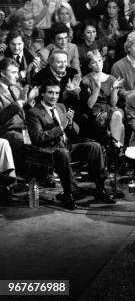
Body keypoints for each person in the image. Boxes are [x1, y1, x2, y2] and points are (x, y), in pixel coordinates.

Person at [26, 78, 115, 210]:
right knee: (63, 153)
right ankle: (68, 194)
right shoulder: (34, 113)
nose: (54, 96)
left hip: (66, 147)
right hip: (49, 151)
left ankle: (100, 188)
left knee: (94, 146)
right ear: (42, 94)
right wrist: (61, 127)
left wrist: (71, 123)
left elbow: (75, 132)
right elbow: (38, 138)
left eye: (57, 93)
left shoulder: (61, 107)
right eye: (50, 93)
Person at [0, 57, 38, 174]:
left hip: (22, 128)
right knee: (21, 140)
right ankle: (26, 175)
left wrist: (28, 101)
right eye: (13, 72)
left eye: (17, 72)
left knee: (40, 134)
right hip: (7, 130)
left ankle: (42, 173)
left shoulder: (16, 86)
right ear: (2, 73)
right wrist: (19, 103)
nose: (17, 76)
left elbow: (23, 108)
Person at [80, 49, 125, 146]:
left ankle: (115, 145)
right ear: (89, 65)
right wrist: (97, 89)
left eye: (99, 61)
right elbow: (89, 105)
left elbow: (113, 103)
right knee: (120, 126)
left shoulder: (111, 78)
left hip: (110, 108)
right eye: (94, 62)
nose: (98, 64)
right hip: (96, 111)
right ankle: (116, 147)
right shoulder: (86, 80)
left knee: (117, 114)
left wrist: (114, 89)